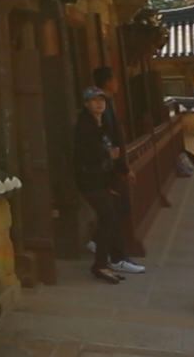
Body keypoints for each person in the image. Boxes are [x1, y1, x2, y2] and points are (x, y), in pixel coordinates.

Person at [73, 87, 143, 283]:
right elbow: (83, 155)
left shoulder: (104, 124)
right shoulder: (83, 126)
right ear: (86, 104)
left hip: (104, 178)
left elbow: (115, 149)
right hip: (90, 180)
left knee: (113, 215)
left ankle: (106, 258)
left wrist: (123, 169)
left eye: (102, 100)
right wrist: (106, 155)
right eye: (94, 100)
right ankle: (102, 263)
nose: (99, 104)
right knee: (109, 217)